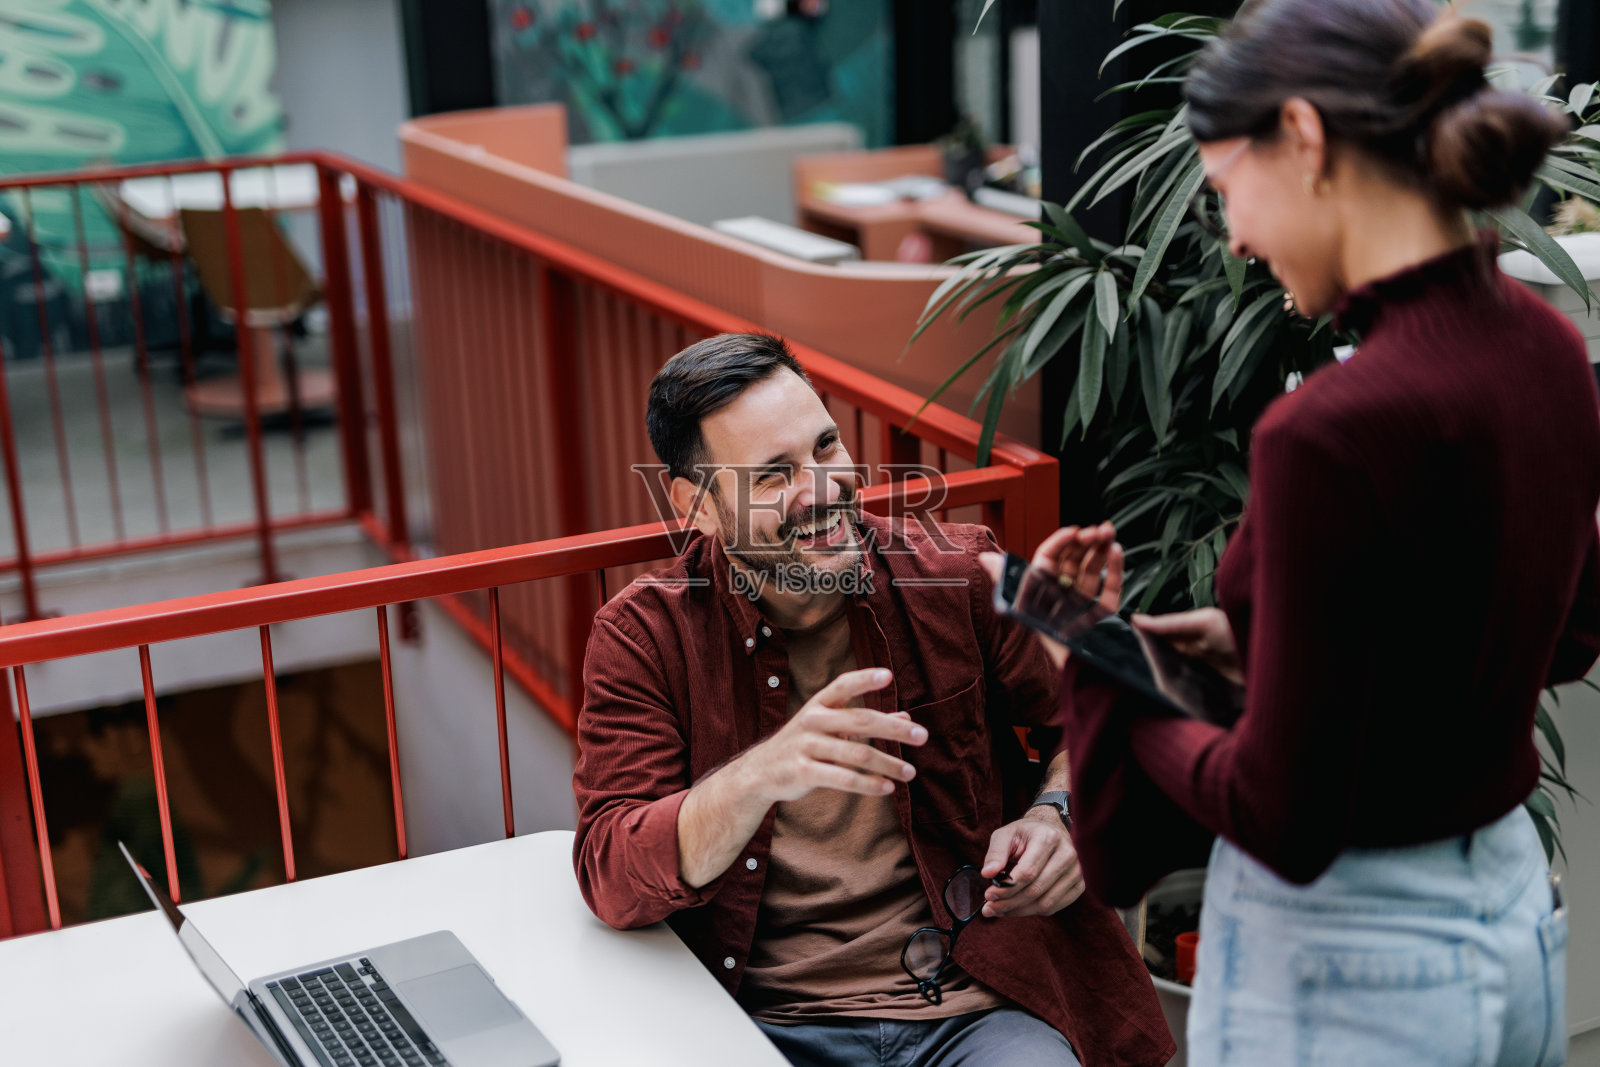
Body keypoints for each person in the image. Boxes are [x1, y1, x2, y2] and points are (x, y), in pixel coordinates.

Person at [984, 3, 1600, 1065]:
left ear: (1305, 140)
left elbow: (1285, 814)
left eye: (1227, 189)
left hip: (1351, 962)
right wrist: (1268, 650)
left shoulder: (1328, 429)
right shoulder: (1547, 346)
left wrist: (1116, 681)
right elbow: (1566, 635)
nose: (1232, 236)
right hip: (1512, 918)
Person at [572, 333, 1172, 1067]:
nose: (823, 490)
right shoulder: (643, 636)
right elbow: (611, 869)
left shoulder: (956, 573)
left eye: (826, 447)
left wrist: (1060, 814)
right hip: (762, 1023)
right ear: (697, 505)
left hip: (975, 1008)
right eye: (773, 475)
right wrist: (757, 776)